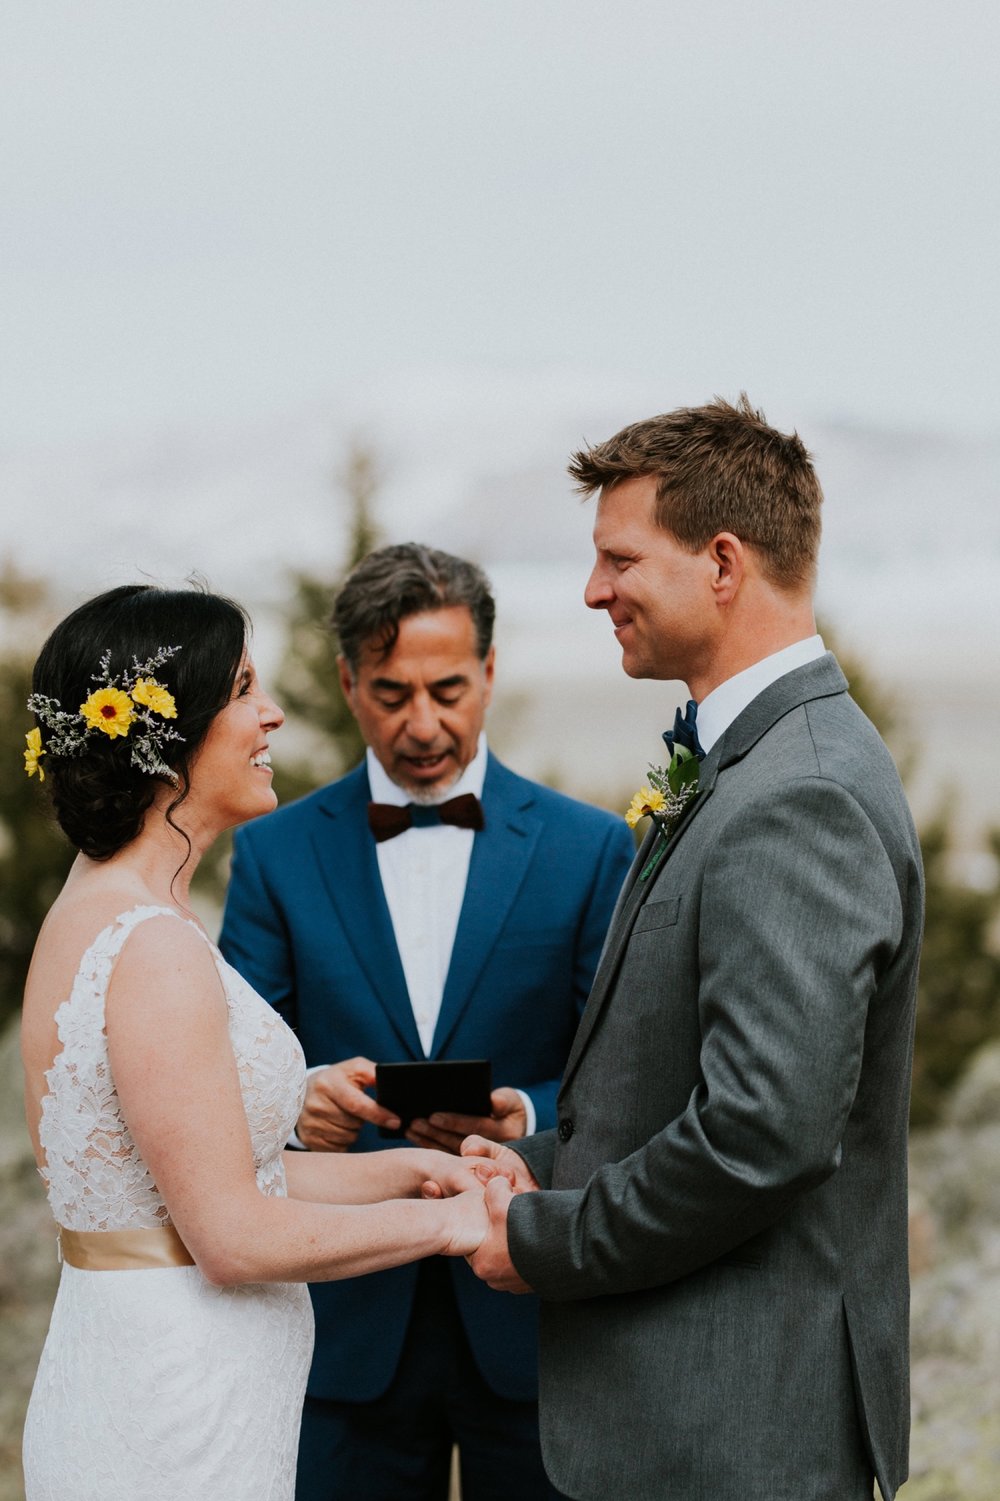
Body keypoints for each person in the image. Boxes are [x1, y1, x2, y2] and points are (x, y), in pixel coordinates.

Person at [462, 397, 925, 1501]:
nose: (591, 592)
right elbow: (683, 1085)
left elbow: (763, 1130)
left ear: (722, 562)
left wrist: (545, 1239)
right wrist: (533, 1164)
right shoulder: (747, 763)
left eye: (618, 559)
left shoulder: (797, 791)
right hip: (700, 1424)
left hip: (738, 1433)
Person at [19, 583, 491, 1501]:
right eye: (241, 688)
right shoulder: (151, 945)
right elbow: (232, 1234)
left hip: (165, 1372)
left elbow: (217, 1179)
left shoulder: (117, 909)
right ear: (170, 736)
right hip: (172, 1410)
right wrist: (452, 1223)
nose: (270, 712)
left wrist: (420, 1171)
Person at [219, 543, 634, 1501]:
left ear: (490, 671)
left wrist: (524, 1116)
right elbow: (231, 1067)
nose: (422, 724)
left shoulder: (590, 847)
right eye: (391, 692)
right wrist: (297, 1100)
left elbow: (624, 1071)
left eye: (447, 689)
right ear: (346, 681)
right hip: (339, 1327)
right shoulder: (276, 853)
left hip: (531, 1314)